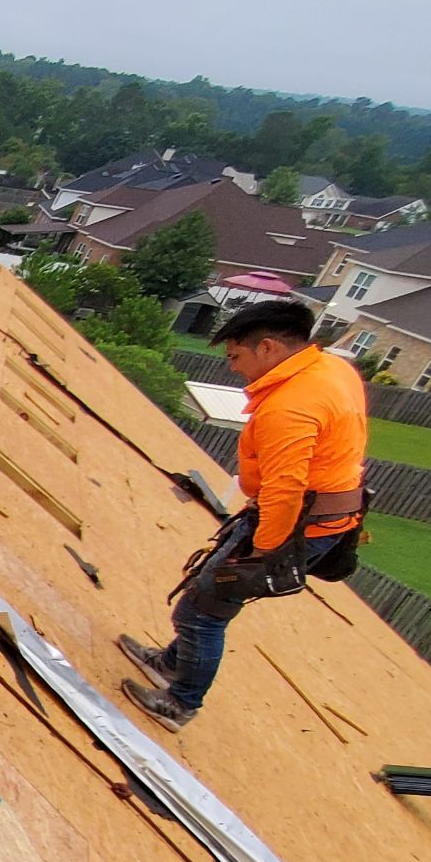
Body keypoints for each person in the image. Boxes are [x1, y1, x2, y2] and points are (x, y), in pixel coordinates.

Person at [120, 298, 368, 730]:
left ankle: (181, 703)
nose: (234, 368)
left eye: (236, 356)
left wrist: (260, 555)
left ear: (268, 348)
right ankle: (171, 664)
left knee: (203, 609)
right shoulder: (331, 370)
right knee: (206, 595)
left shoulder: (290, 405)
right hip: (323, 517)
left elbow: (285, 490)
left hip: (294, 527)